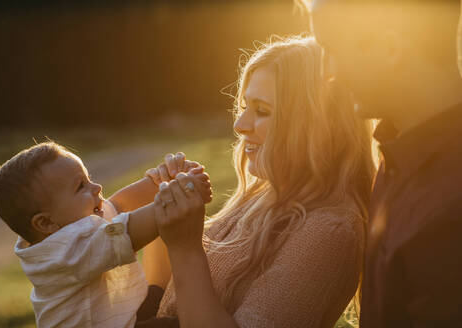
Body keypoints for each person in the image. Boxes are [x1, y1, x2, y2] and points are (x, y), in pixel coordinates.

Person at [141, 36, 375, 328]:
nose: (240, 126)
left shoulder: (329, 230)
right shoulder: (262, 195)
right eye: (244, 107)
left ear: (315, 124)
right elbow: (168, 299)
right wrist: (164, 208)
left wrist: (186, 249)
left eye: (262, 111)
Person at [305, 0, 462, 326]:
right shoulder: (396, 155)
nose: (327, 73)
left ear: (391, 48)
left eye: (331, 49)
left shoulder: (450, 207)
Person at [0, 141, 211, 328]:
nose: (96, 187)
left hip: (125, 313)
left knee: (160, 297)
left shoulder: (66, 225)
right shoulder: (65, 253)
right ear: (45, 222)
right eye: (80, 186)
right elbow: (130, 229)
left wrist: (159, 181)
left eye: (89, 177)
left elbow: (119, 205)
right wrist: (178, 193)